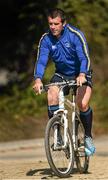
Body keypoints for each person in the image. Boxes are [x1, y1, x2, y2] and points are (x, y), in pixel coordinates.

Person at [33, 8, 95, 156]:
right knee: (51, 95)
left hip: (81, 74)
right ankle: (58, 135)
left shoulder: (75, 35)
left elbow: (84, 57)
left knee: (82, 103)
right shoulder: (46, 39)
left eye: (56, 23)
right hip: (61, 75)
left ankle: (87, 136)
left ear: (64, 23)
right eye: (50, 24)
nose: (52, 27)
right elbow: (41, 61)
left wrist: (82, 74)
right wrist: (38, 79)